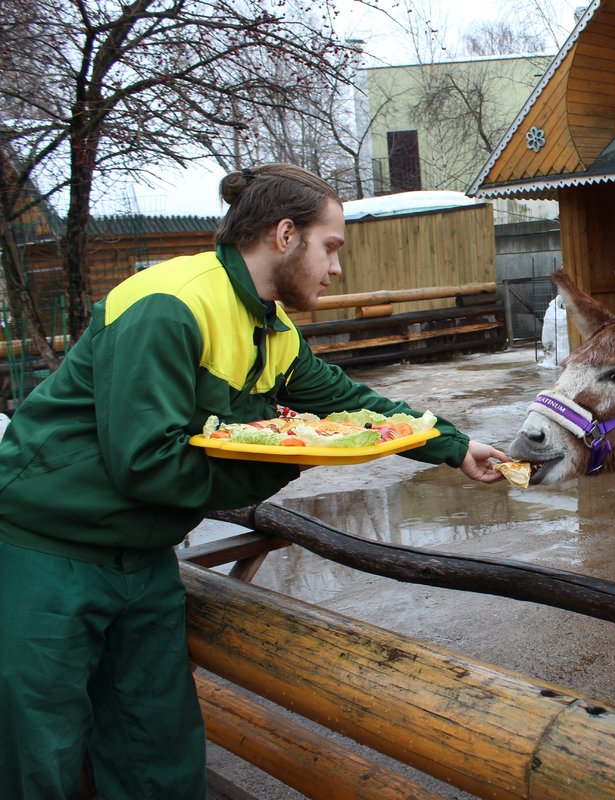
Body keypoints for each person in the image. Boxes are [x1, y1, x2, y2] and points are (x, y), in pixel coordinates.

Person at [0, 163, 509, 798]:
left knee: (155, 749)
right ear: (285, 234)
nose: (337, 268)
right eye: (332, 247)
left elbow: (343, 402)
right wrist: (291, 455)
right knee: (35, 756)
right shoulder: (168, 305)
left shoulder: (273, 329)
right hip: (47, 550)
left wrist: (454, 447)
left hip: (145, 557)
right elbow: (145, 463)